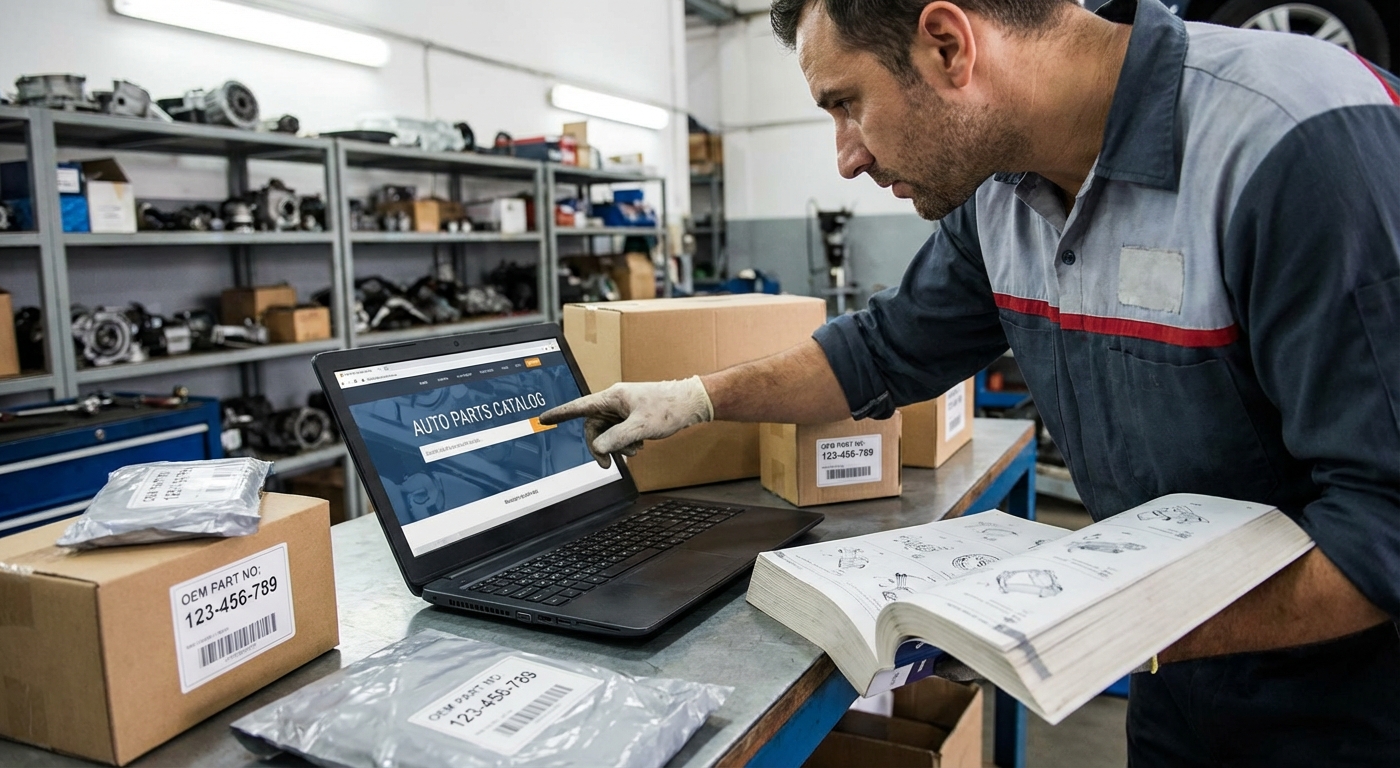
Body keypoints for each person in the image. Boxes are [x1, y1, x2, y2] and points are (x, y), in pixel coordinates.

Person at [540, 0, 1400, 763]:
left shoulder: (1292, 140)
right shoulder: (1002, 196)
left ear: (949, 45)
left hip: (1354, 700)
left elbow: (1383, 532)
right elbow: (878, 351)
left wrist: (1080, 627)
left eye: (846, 103)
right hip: (1179, 675)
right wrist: (693, 398)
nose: (845, 157)